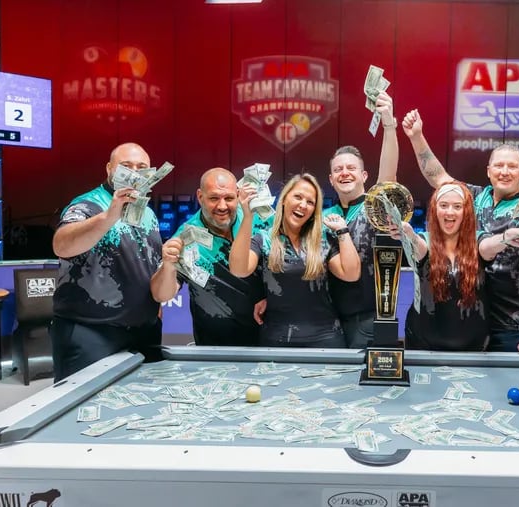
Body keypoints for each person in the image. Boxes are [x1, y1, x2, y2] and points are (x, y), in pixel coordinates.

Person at [401, 109, 519, 355]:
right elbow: (437, 177)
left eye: (512, 166)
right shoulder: (474, 197)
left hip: (509, 325)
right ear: (488, 171)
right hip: (468, 319)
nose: (505, 171)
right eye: (499, 165)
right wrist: (416, 136)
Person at [51, 142, 164, 381]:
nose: (134, 172)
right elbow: (61, 245)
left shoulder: (148, 213)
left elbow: (148, 264)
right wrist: (110, 215)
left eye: (141, 167)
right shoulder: (88, 204)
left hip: (143, 332)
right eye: (126, 166)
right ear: (109, 169)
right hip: (91, 332)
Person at [229, 173, 360, 347]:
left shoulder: (323, 239)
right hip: (277, 339)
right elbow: (239, 269)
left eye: (310, 202)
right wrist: (247, 217)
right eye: (297, 197)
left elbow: (351, 274)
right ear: (284, 199)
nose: (303, 205)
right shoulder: (264, 239)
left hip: (326, 339)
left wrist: (342, 231)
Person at [150, 168, 270, 346]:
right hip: (215, 346)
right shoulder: (185, 238)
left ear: (238, 195)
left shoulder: (261, 220)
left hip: (269, 337)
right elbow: (161, 295)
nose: (222, 206)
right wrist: (168, 266)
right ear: (200, 197)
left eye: (229, 198)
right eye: (214, 198)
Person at [323, 91, 398, 349]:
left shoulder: (375, 207)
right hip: (326, 320)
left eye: (351, 168)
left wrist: (389, 126)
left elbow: (388, 176)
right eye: (338, 170)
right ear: (331, 179)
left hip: (366, 320)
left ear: (364, 175)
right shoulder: (321, 217)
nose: (345, 173)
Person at [391, 182, 488, 351]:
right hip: (424, 343)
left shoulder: (479, 240)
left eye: (457, 206)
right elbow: (419, 246)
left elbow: (490, 246)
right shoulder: (424, 239)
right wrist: (408, 234)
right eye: (444, 205)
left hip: (473, 345)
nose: (449, 211)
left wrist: (506, 239)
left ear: (466, 212)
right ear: (435, 210)